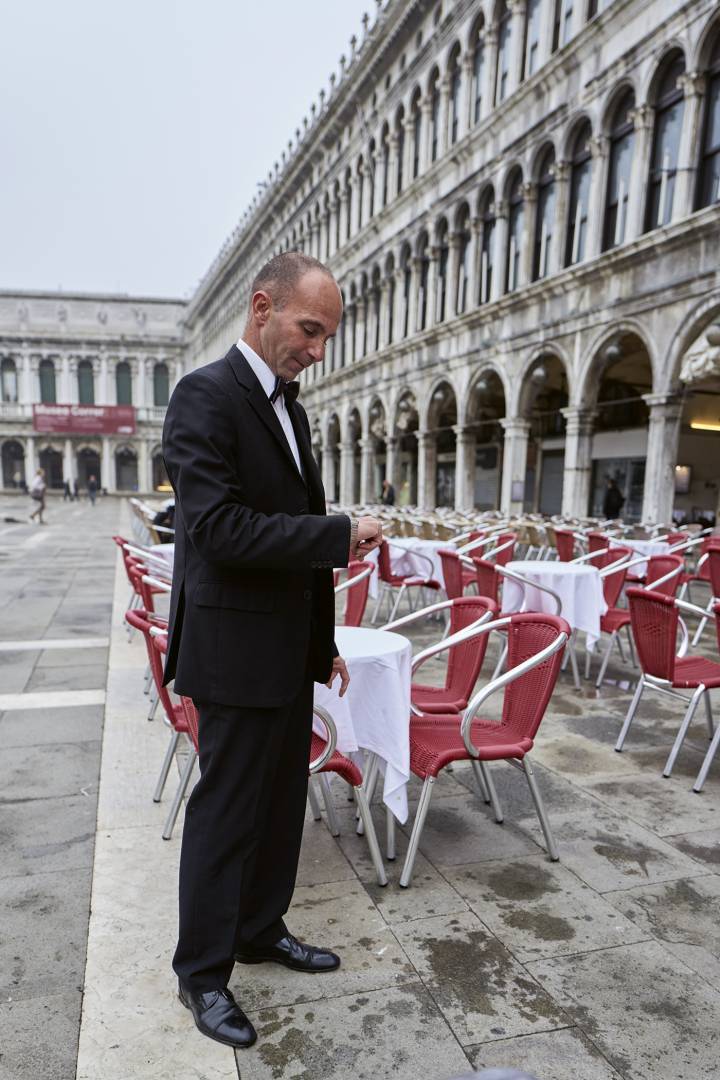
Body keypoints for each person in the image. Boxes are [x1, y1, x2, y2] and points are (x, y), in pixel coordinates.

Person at [162, 252, 382, 1051]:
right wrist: (340, 533)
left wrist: (321, 645)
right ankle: (203, 974)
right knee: (225, 815)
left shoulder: (293, 407)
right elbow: (217, 531)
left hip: (288, 652)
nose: (318, 349)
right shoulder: (204, 398)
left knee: (281, 804)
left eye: (327, 336)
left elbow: (290, 531)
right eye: (309, 329)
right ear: (262, 307)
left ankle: (260, 929)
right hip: (230, 651)